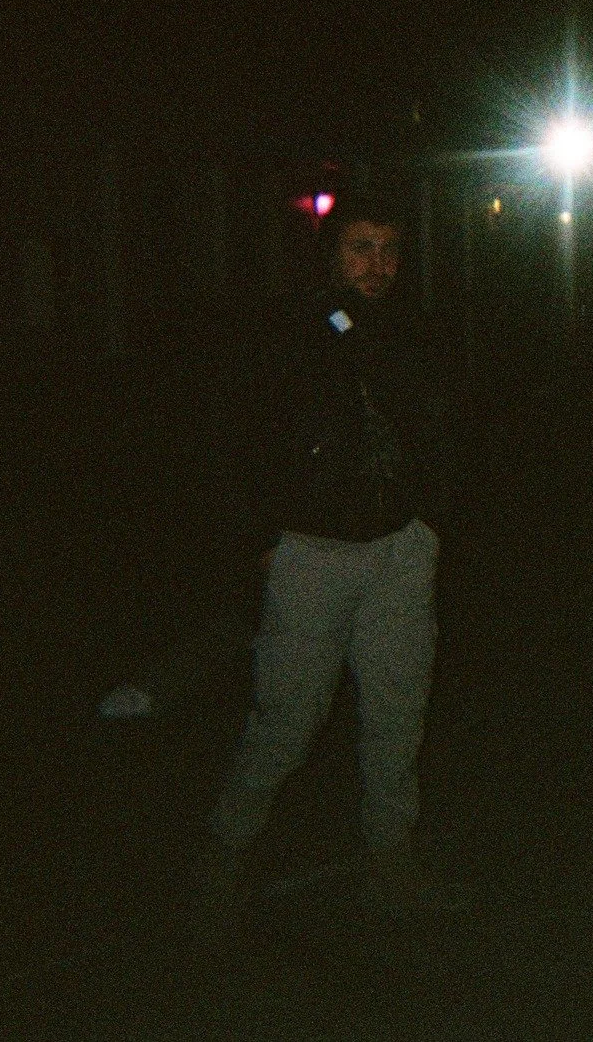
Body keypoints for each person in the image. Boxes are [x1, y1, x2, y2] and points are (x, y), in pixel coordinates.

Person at [197, 190, 459, 928]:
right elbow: (232, 436)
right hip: (312, 551)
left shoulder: (415, 330)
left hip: (400, 550)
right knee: (287, 716)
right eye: (361, 248)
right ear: (331, 252)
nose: (377, 266)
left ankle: (392, 861)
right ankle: (225, 851)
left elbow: (446, 423)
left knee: (397, 712)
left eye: (389, 250)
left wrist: (432, 520)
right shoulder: (285, 330)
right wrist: (257, 538)